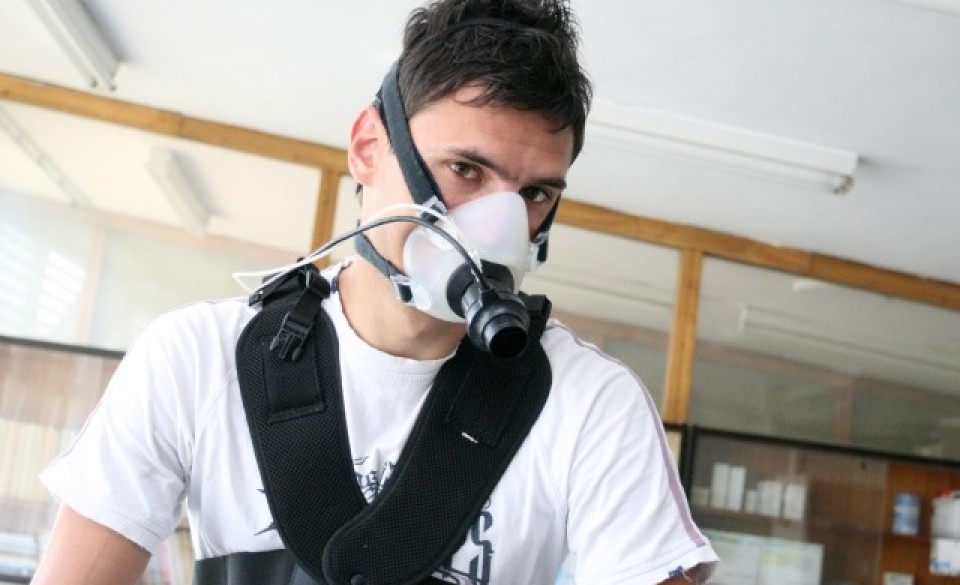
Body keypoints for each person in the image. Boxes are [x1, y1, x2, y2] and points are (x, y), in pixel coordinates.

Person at [32, 0, 718, 583]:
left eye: (534, 193)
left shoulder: (589, 405)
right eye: (465, 170)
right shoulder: (197, 359)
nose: (499, 229)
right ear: (367, 147)